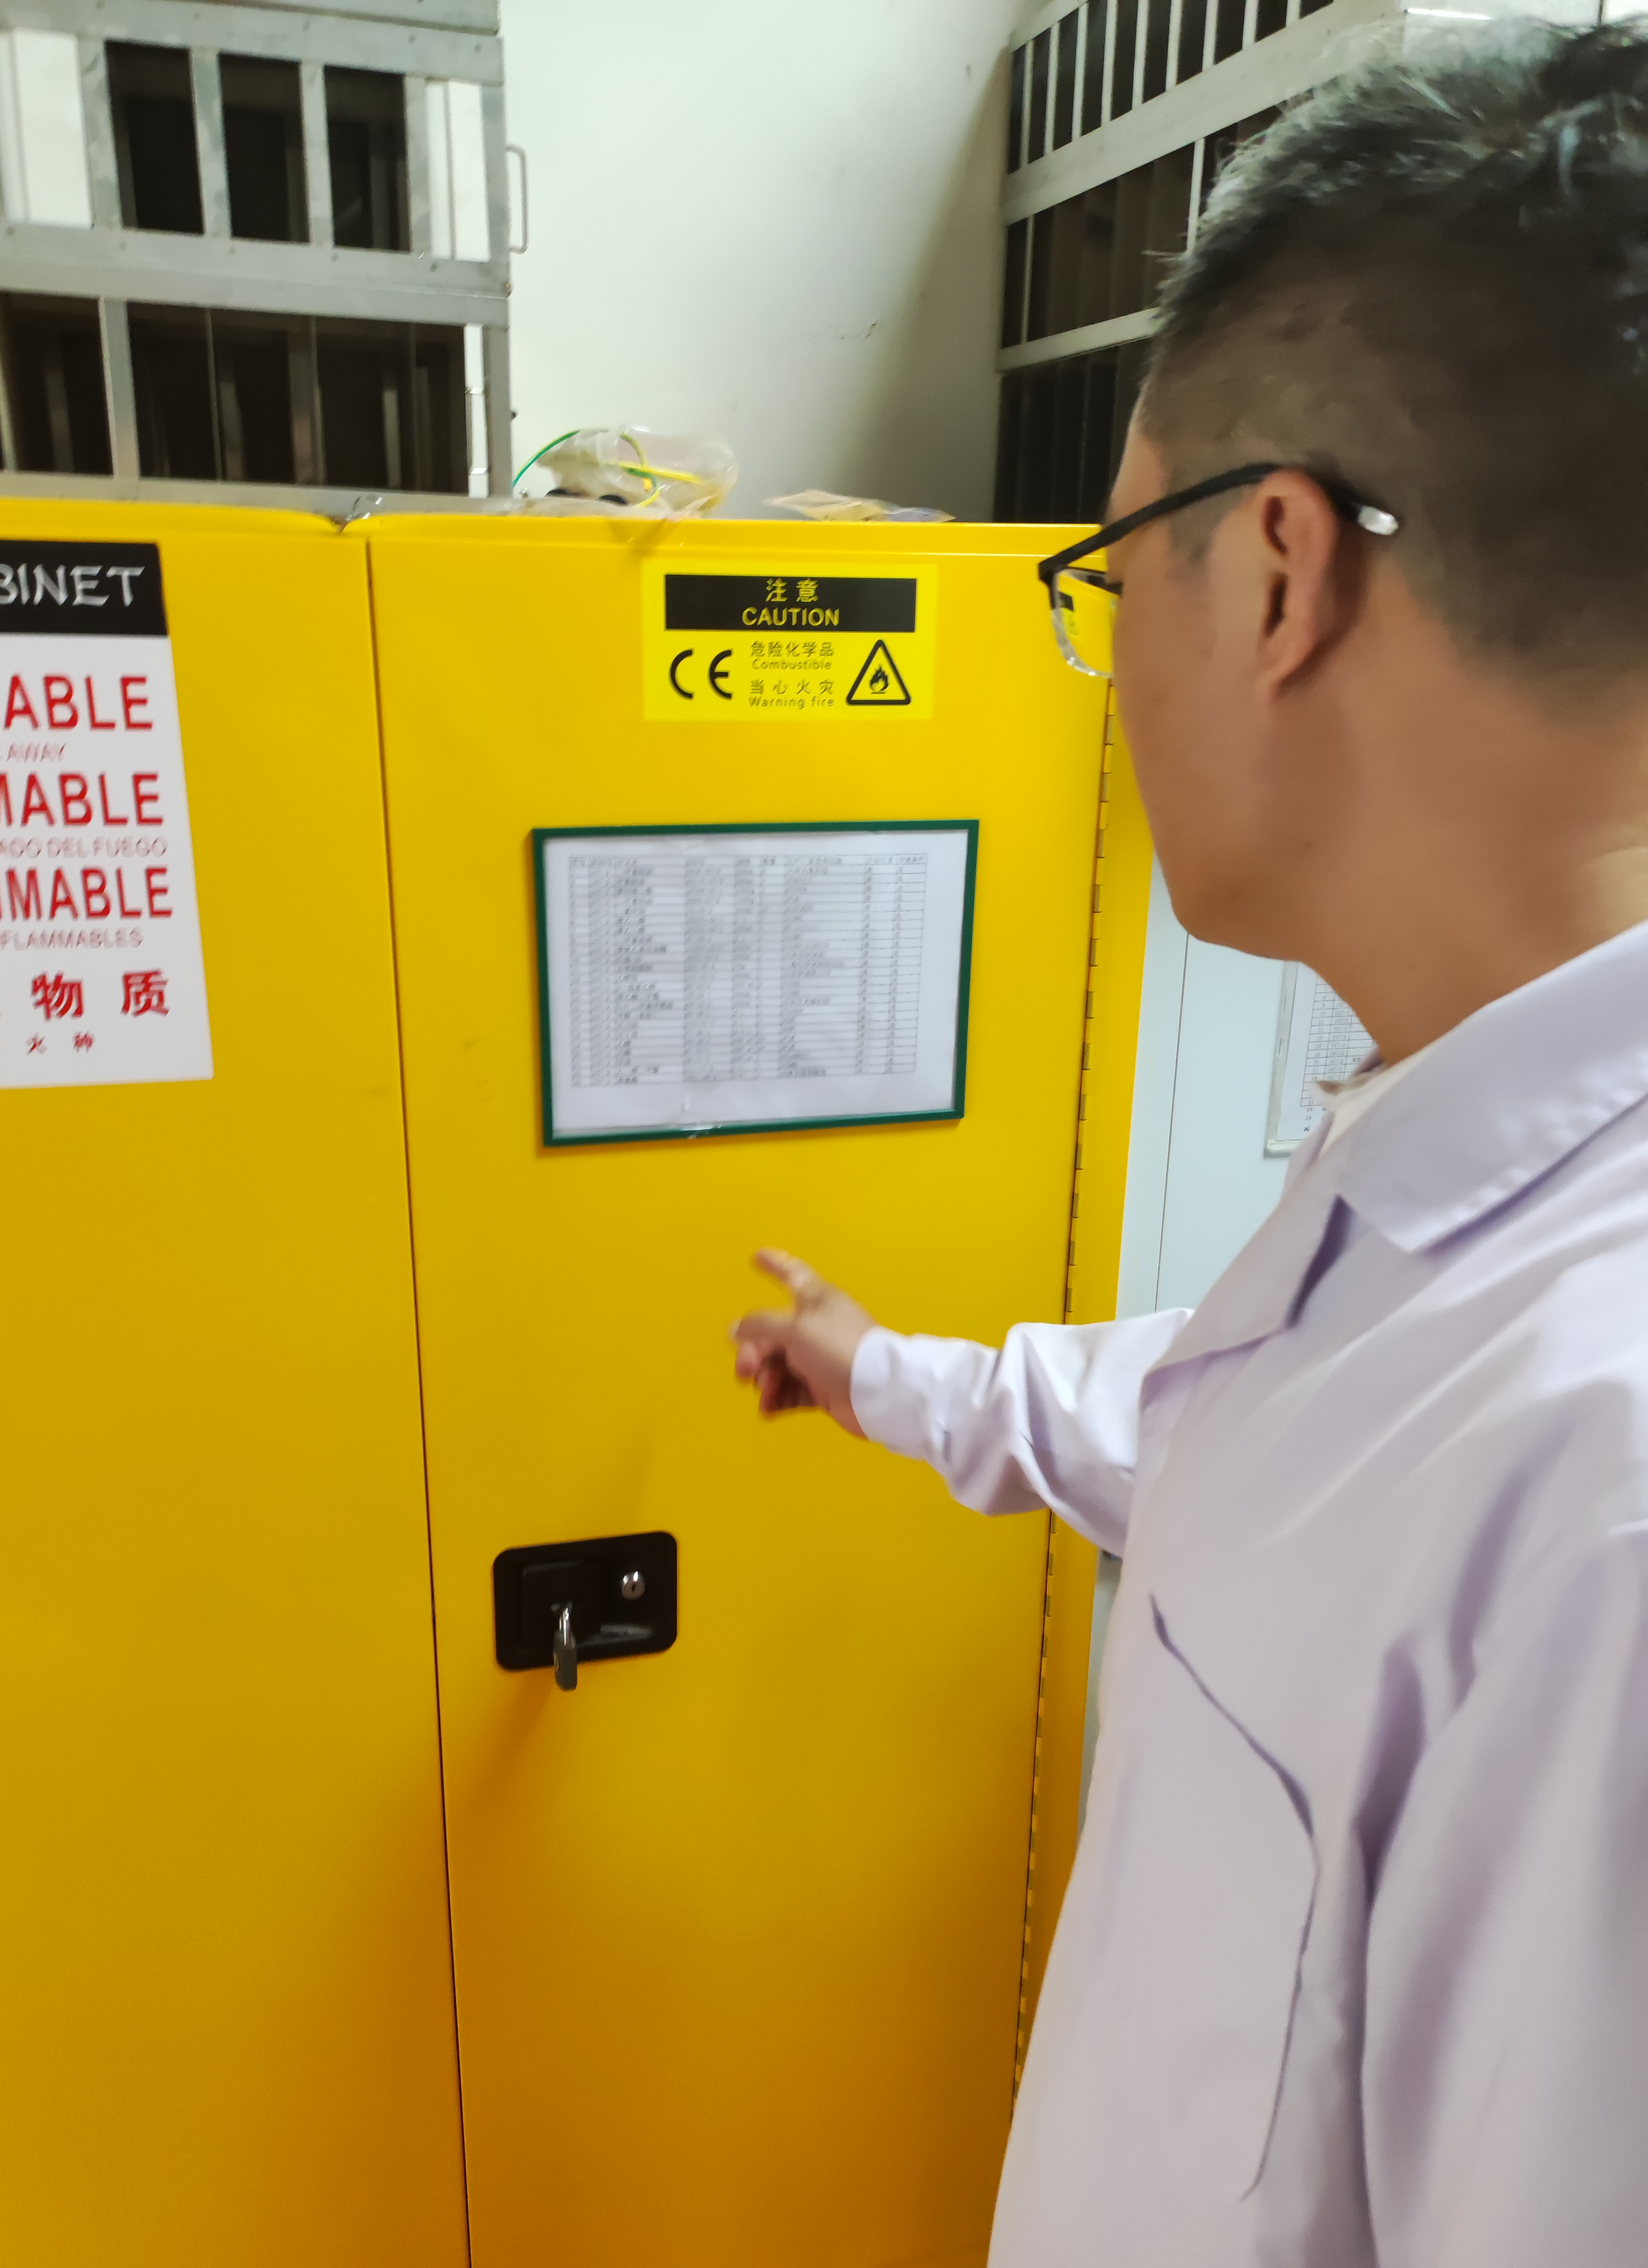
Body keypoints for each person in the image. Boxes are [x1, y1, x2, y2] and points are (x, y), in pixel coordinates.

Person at [732, 24, 1648, 2268]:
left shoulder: (1602, 1503)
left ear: (1274, 571)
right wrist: (894, 1374)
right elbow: (1235, 1432)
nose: (1111, 649)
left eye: (1112, 565)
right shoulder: (1448, 1209)